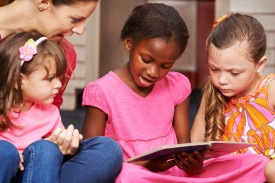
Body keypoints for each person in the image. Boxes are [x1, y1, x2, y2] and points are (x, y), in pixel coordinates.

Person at [82, 3, 269, 182]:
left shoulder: (177, 86)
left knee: (257, 163)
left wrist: (193, 163)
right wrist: (147, 167)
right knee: (128, 175)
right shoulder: (102, 91)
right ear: (129, 44)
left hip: (176, 175)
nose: (154, 72)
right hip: (135, 175)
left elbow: (185, 148)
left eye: (166, 66)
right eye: (146, 60)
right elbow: (94, 160)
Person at [0, 32, 122, 183]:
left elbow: (49, 157)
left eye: (59, 77)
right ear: (17, 81)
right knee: (6, 151)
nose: (59, 84)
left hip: (40, 173)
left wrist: (66, 147)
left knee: (108, 149)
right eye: (50, 79)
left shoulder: (50, 113)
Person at [191, 13, 274, 182]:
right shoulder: (211, 94)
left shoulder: (270, 89)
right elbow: (193, 145)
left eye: (234, 73)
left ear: (260, 65)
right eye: (214, 69)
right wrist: (192, 161)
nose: (222, 80)